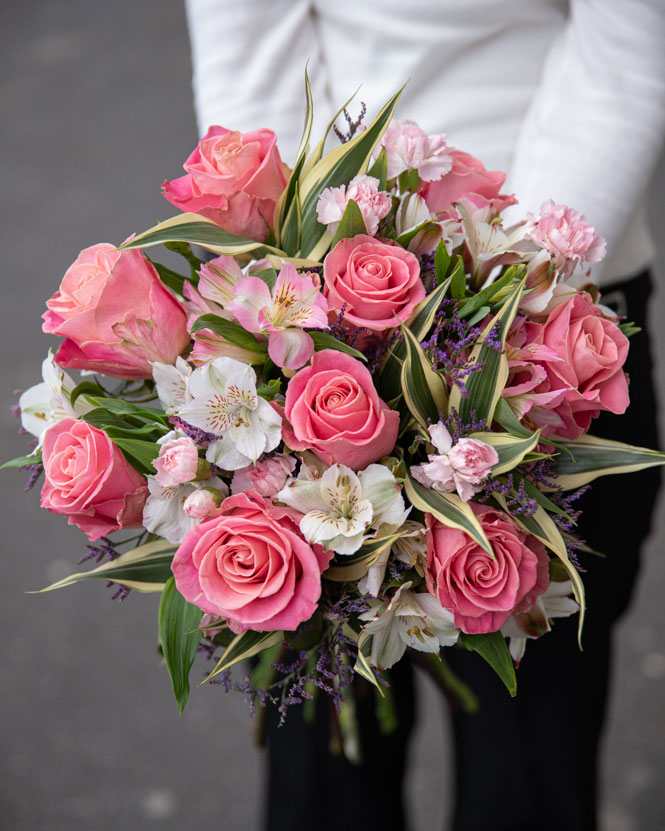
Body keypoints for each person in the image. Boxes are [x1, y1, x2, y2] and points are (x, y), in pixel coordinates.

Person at [183, 2, 665, 828]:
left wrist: (515, 295)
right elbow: (249, 52)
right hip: (317, 291)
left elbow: (622, 49)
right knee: (327, 749)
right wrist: (308, 286)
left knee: (532, 745)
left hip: (559, 299)